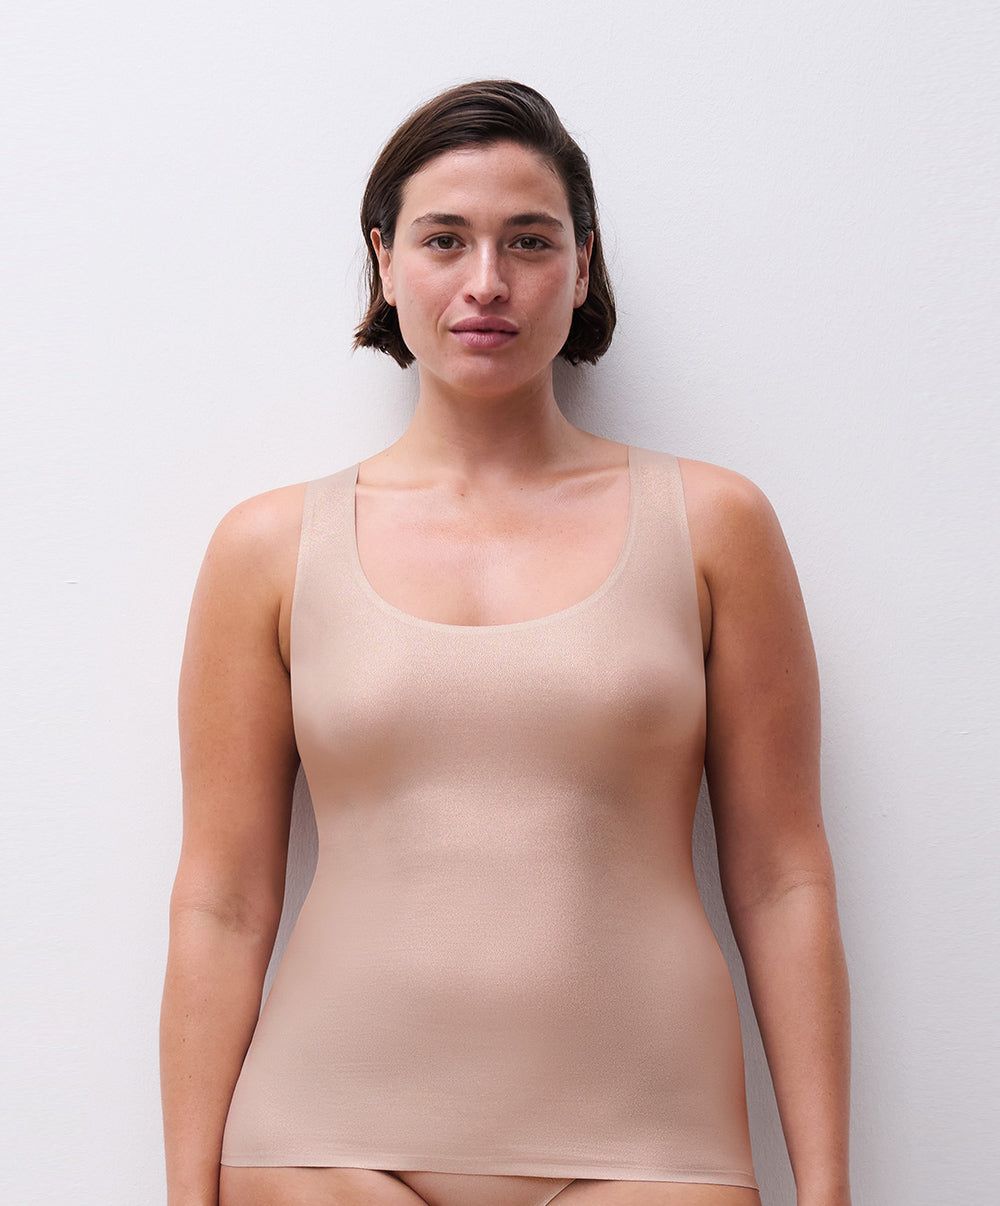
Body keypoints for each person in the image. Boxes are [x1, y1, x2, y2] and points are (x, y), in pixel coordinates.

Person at [160, 80, 852, 1206]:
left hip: (654, 1152)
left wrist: (828, 1191)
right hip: (320, 1154)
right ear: (385, 262)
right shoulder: (268, 548)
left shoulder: (715, 526)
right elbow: (223, 899)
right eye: (445, 239)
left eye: (528, 241)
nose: (486, 281)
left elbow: (782, 880)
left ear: (582, 267)